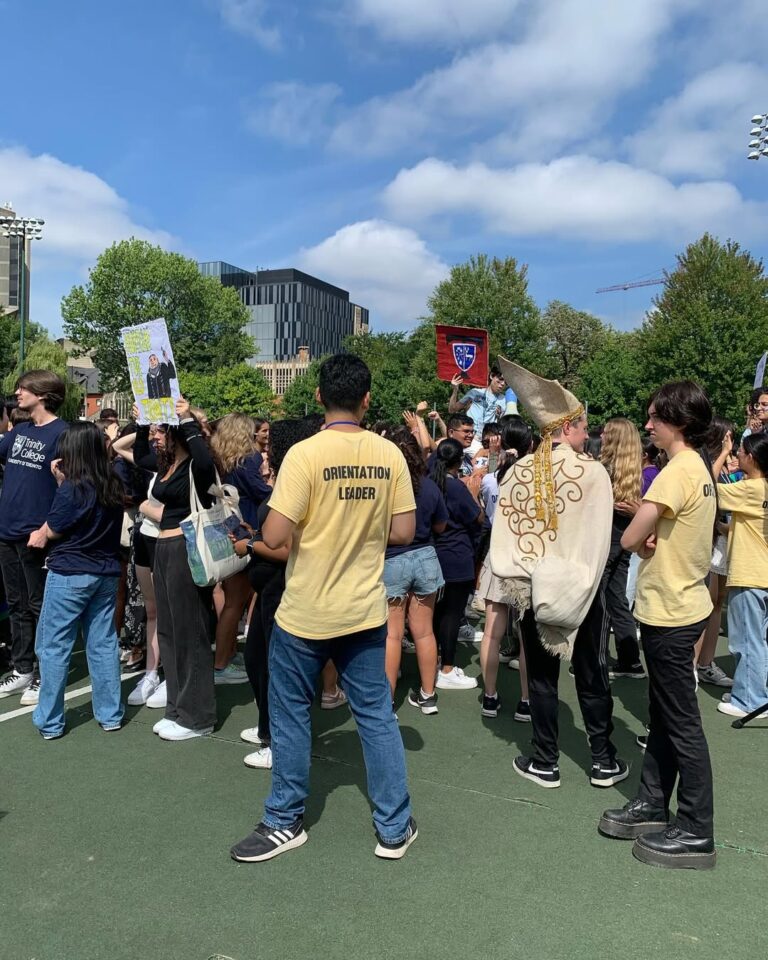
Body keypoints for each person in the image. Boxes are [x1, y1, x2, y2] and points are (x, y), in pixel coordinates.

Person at [230, 353, 417, 863]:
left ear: (318, 397)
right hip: (363, 610)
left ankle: (285, 819)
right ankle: (394, 827)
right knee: (375, 717)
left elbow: (273, 534)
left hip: (305, 610)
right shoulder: (389, 455)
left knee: (290, 715)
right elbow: (403, 531)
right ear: (367, 399)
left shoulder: (305, 455)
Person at [490, 359, 626, 791]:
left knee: (542, 679)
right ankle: (603, 760)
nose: (587, 434)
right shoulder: (593, 472)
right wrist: (584, 579)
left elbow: (506, 534)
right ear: (567, 427)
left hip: (531, 590)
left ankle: (545, 761)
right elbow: (600, 540)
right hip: (585, 591)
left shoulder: (517, 472)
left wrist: (526, 578)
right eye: (583, 426)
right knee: (592, 672)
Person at [599, 380, 717, 871]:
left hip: (671, 611)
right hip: (682, 605)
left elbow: (628, 535)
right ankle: (653, 801)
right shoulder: (699, 469)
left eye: (655, 418)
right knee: (664, 716)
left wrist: (640, 538)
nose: (648, 425)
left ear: (678, 422)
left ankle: (695, 829)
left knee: (680, 723)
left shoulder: (674, 472)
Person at [231, 417, 325, 770]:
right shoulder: (282, 484)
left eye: (270, 449)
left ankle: (277, 741)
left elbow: (288, 548)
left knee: (274, 667)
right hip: (269, 588)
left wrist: (251, 545)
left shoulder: (295, 486)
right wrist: (253, 534)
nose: (263, 454)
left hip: (284, 588)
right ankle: (266, 727)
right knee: (257, 661)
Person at [30, 422, 125, 738]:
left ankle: (50, 721)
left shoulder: (73, 486)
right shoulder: (112, 480)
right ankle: (110, 715)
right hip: (106, 572)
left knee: (54, 646)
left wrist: (61, 485)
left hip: (70, 571)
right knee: (103, 643)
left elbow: (55, 528)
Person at [133, 398, 217, 741]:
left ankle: (198, 716)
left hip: (185, 549)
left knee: (189, 632)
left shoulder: (194, 465)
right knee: (168, 630)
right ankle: (177, 709)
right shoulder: (167, 463)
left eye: (161, 431)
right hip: (163, 549)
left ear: (179, 433)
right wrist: (140, 424)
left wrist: (187, 420)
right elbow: (139, 457)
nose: (157, 437)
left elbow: (206, 460)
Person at [0, 370, 68, 703]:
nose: (17, 393)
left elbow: (70, 487)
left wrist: (46, 529)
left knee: (40, 605)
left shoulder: (63, 433)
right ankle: (22, 667)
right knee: (16, 605)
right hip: (6, 532)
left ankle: (44, 673)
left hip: (37, 536)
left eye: (23, 388)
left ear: (41, 394)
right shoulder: (21, 430)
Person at [382, 426, 447, 714]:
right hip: (425, 557)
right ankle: (428, 694)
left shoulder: (385, 487)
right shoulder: (430, 485)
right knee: (424, 631)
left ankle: (387, 702)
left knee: (392, 634)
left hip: (393, 559)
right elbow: (441, 525)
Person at [477, 416, 533, 721]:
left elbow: (487, 513)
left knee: (491, 634)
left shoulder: (491, 479)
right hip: (525, 559)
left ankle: (489, 696)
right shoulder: (537, 479)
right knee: (526, 638)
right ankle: (526, 700)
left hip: (498, 557)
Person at [210, 413, 271, 683]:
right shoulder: (245, 462)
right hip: (244, 528)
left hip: (228, 528)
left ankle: (227, 654)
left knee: (233, 599)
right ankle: (222, 663)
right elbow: (266, 494)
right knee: (236, 601)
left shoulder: (220, 460)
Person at [713, 432, 768, 719]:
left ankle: (750, 700)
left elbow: (707, 486)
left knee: (746, 641)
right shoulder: (762, 489)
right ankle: (755, 691)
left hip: (749, 575)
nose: (738, 456)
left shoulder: (752, 488)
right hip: (762, 574)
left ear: (753, 457)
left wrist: (721, 453)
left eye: (741, 452)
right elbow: (739, 527)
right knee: (759, 640)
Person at [431, 439, 485, 691]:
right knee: (452, 614)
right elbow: (477, 517)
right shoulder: (456, 488)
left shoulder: (431, 483)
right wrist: (474, 494)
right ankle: (447, 668)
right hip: (458, 555)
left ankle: (435, 662)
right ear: (457, 461)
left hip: (436, 554)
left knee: (436, 614)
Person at [599, 418, 645, 679]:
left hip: (607, 540)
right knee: (617, 599)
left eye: (606, 433)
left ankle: (598, 658)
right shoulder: (632, 469)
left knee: (600, 600)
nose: (602, 436)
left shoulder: (604, 469)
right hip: (624, 537)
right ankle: (630, 661)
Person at [694, 417, 738, 688]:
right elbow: (709, 485)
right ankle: (696, 664)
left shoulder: (725, 466)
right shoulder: (704, 463)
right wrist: (723, 453)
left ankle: (706, 662)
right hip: (710, 540)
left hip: (722, 540)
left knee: (718, 601)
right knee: (706, 602)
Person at [448, 364, 513, 437]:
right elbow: (452, 409)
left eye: (506, 382)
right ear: (491, 376)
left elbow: (504, 424)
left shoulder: (505, 400)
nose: (502, 384)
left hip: (488, 438)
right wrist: (455, 390)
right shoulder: (475, 392)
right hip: (470, 436)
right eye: (500, 379)